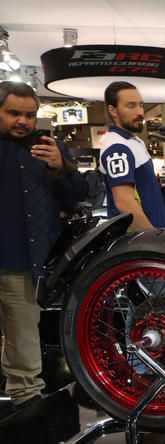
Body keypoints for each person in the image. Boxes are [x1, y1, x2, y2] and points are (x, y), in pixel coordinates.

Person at [0, 82, 86, 409]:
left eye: (29, 115)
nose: (23, 121)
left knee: (23, 344)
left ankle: (27, 410)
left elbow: (78, 197)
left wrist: (62, 169)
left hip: (24, 262)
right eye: (13, 113)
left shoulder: (51, 149)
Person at [99, 81, 165, 230]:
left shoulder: (134, 141)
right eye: (131, 106)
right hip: (138, 239)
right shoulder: (117, 148)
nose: (140, 112)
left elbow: (142, 188)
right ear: (113, 111)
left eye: (141, 105)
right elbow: (124, 203)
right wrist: (153, 238)